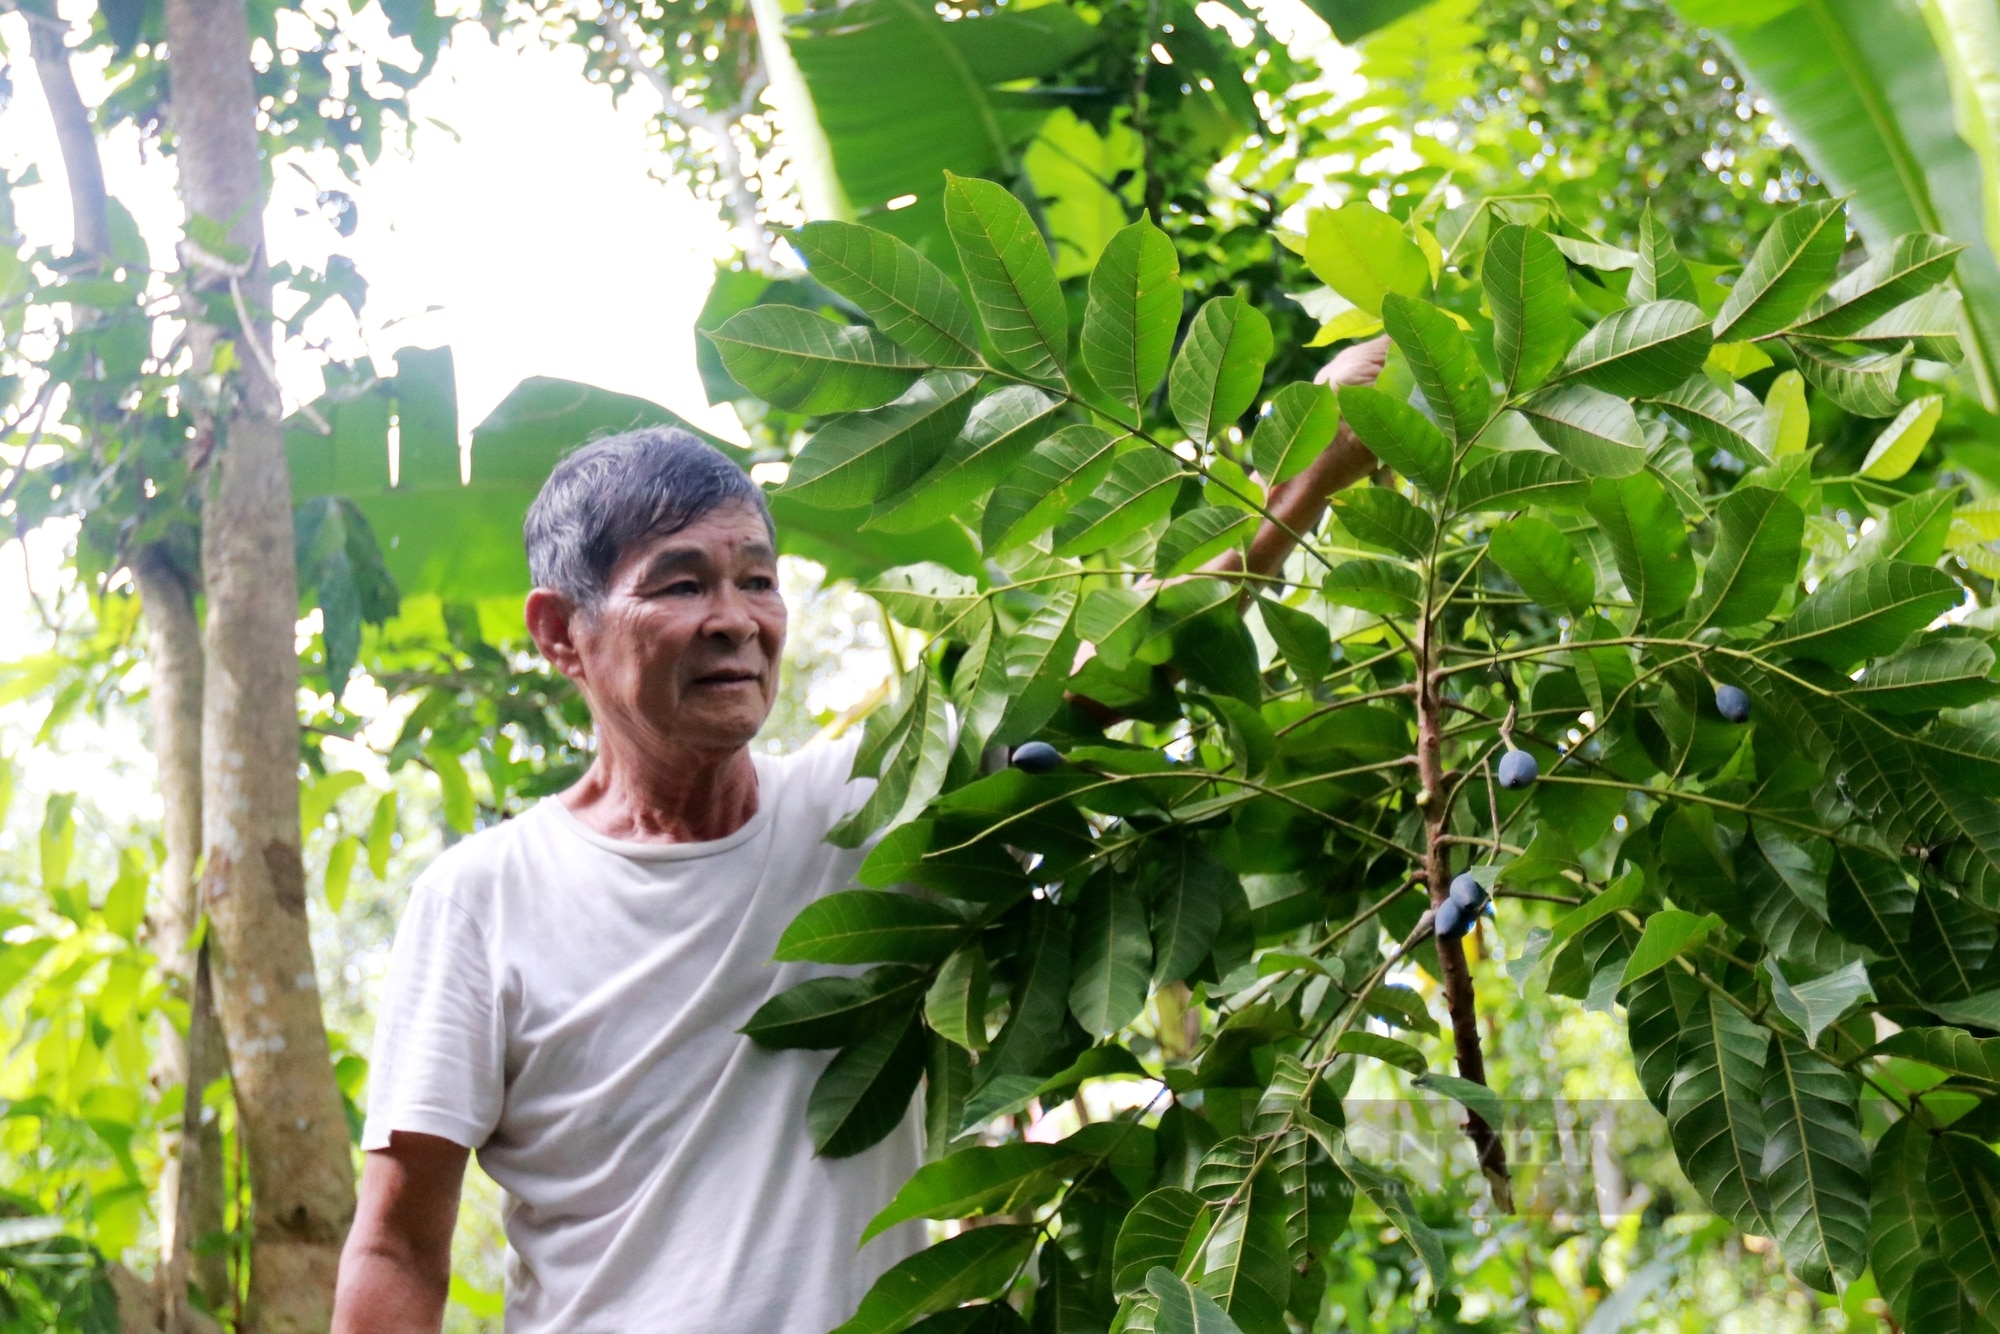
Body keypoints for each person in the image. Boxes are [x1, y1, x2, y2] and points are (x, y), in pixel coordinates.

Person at [331, 339, 1388, 1333]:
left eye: (756, 577)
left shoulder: (871, 805)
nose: (736, 617)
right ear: (563, 632)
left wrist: (1302, 476)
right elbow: (399, 1242)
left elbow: (1131, 661)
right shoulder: (483, 896)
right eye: (681, 582)